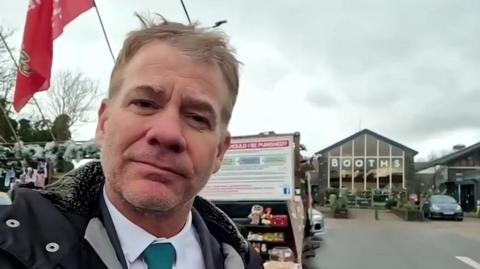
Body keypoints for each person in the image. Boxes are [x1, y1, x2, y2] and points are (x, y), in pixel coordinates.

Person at [0, 15, 264, 269]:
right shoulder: (12, 245)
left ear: (219, 151)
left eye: (196, 117)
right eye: (145, 104)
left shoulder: (243, 261)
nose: (167, 133)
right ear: (104, 123)